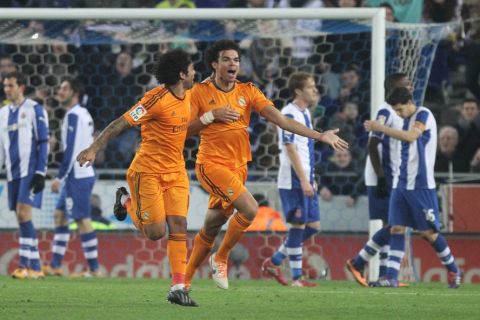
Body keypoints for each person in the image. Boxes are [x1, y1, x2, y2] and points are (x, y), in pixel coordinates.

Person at [184, 40, 348, 291]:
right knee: (250, 209)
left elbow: (281, 120)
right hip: (210, 164)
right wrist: (210, 116)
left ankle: (181, 284)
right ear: (214, 64)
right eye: (227, 59)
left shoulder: (248, 91)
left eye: (236, 60)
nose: (233, 64)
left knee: (212, 226)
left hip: (238, 168)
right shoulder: (199, 92)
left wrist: (320, 135)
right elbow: (182, 130)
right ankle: (221, 257)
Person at [76, 48, 227, 307]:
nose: (194, 72)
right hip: (147, 172)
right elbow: (120, 123)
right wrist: (93, 148)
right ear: (181, 74)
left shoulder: (191, 95)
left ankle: (178, 286)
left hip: (176, 171)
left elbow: (209, 94)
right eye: (190, 69)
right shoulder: (154, 100)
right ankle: (125, 200)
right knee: (156, 233)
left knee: (179, 225)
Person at [364, 87, 462, 288]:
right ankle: (391, 277)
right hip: (401, 183)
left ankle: (454, 269)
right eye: (395, 111)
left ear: (409, 101)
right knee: (396, 228)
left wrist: (380, 128)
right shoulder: (407, 120)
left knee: (428, 233)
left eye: (400, 110)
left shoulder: (423, 114)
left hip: (420, 185)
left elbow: (411, 137)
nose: (398, 114)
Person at [345, 73, 410, 286]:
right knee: (394, 224)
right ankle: (362, 264)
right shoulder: (385, 110)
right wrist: (381, 177)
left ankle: (385, 276)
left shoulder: (398, 112)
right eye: (406, 83)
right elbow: (372, 144)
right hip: (382, 175)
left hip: (392, 174)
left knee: (392, 224)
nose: (410, 85)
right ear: (394, 87)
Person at [261, 71, 323, 287]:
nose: (314, 90)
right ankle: (297, 278)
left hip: (305, 176)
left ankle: (275, 261)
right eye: (310, 86)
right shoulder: (289, 112)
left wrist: (310, 177)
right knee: (298, 226)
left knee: (313, 225)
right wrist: (304, 180)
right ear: (298, 90)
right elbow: (290, 147)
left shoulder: (305, 113)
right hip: (294, 179)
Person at [42, 78, 100, 277]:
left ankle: (94, 270)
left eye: (64, 88)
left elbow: (72, 151)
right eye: (59, 87)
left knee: (83, 220)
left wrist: (59, 177)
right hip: (76, 175)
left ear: (74, 92)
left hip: (78, 176)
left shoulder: (74, 115)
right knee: (59, 216)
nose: (60, 91)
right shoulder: (82, 113)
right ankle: (55, 265)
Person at [0, 71, 49, 279]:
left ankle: (23, 266)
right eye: (5, 85)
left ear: (21, 87)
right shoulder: (2, 113)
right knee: (22, 218)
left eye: (11, 85)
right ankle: (36, 267)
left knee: (22, 213)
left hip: (30, 170)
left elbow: (43, 141)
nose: (7, 89)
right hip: (12, 172)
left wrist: (40, 172)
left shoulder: (34, 109)